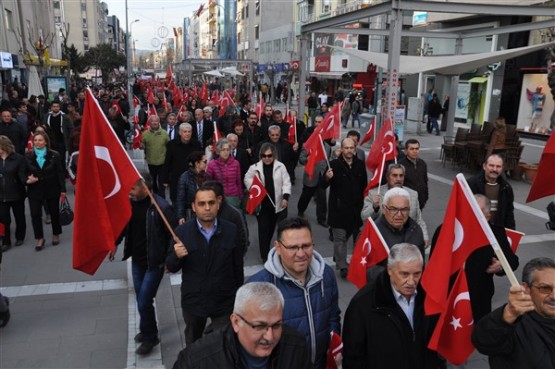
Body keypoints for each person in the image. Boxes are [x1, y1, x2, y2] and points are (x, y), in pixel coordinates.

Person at [248, 217, 341, 369]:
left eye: (306, 246)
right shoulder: (258, 286)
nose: (301, 253)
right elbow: (252, 344)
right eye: (293, 247)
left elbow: (333, 315)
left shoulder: (327, 275)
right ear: (278, 247)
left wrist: (333, 343)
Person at [342, 243, 443, 369]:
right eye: (404, 274)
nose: (411, 282)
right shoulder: (363, 304)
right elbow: (353, 357)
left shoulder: (430, 296)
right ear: (390, 270)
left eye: (417, 274)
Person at [166, 185, 244, 345]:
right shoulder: (181, 233)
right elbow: (171, 266)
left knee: (224, 342)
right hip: (194, 302)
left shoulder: (231, 230)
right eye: (202, 204)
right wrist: (176, 256)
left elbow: (237, 266)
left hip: (224, 300)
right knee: (194, 343)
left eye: (211, 202)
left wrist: (238, 295)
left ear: (218, 204)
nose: (207, 208)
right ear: (194, 207)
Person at [172, 282, 311, 369]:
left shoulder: (296, 346)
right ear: (236, 322)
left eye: (276, 326)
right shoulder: (196, 360)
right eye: (259, 326)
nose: (269, 336)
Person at [431, 194, 519, 324]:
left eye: (477, 212)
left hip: (478, 299)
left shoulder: (495, 233)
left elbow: (513, 261)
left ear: (487, 217)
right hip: (449, 295)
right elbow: (434, 262)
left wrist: (500, 266)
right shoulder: (446, 229)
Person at [116, 173, 177, 355]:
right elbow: (125, 226)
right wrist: (115, 243)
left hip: (154, 263)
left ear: (146, 188)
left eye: (134, 188)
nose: (130, 191)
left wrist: (169, 260)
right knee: (141, 299)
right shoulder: (131, 203)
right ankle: (146, 329)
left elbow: (173, 235)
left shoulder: (162, 207)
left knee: (144, 300)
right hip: (137, 260)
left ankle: (151, 336)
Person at [472, 257, 555, 369]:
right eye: (545, 288)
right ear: (526, 289)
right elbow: (484, 341)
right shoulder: (513, 323)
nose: (554, 296)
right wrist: (508, 313)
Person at [321, 137, 367, 278]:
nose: (348, 150)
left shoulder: (359, 164)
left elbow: (364, 185)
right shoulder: (333, 164)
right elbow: (323, 185)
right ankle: (342, 266)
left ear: (355, 148)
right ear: (342, 149)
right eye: (346, 148)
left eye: (351, 148)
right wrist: (327, 177)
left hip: (355, 209)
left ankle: (350, 260)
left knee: (354, 236)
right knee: (340, 239)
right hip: (339, 209)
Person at [244, 143, 291, 262]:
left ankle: (267, 245)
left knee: (271, 228)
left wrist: (285, 197)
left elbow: (286, 182)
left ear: (274, 155)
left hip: (276, 205)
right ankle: (264, 255)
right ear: (261, 156)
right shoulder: (254, 167)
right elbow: (247, 178)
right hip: (262, 205)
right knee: (263, 229)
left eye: (269, 155)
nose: (267, 158)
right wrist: (253, 187)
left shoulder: (281, 167)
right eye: (264, 156)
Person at [361, 163, 429, 244]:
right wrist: (374, 207)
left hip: (407, 240)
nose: (398, 179)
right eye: (394, 175)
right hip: (383, 241)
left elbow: (418, 219)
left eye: (401, 175)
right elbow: (364, 217)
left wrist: (424, 235)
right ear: (387, 177)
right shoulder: (375, 194)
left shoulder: (413, 194)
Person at [24, 132, 66, 251]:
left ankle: (56, 233)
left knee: (54, 212)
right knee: (35, 214)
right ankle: (39, 238)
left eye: (40, 140)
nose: (37, 142)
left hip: (51, 187)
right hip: (35, 189)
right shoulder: (28, 155)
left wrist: (63, 189)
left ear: (46, 142)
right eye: (35, 140)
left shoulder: (54, 155)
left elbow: (60, 172)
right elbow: (24, 171)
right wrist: (28, 179)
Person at [297, 116, 332, 226]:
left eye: (320, 122)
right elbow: (301, 159)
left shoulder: (327, 146)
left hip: (322, 176)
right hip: (310, 175)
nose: (317, 124)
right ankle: (300, 211)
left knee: (322, 199)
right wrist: (306, 159)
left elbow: (328, 160)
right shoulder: (308, 144)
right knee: (306, 196)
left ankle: (321, 219)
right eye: (316, 122)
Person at [467, 154, 515, 229]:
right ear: (484, 166)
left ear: (502, 168)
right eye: (491, 165)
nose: (494, 169)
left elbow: (509, 214)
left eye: (498, 166)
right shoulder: (471, 184)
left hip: (497, 230)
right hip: (474, 228)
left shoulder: (507, 188)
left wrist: (512, 233)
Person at [375, 187, 425, 259]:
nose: (399, 214)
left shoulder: (415, 230)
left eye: (404, 209)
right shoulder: (373, 232)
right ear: (383, 209)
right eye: (393, 209)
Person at [162, 123, 202, 204]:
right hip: (176, 179)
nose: (187, 134)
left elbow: (200, 161)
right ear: (180, 132)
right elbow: (167, 163)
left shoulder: (196, 144)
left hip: (192, 179)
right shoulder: (171, 144)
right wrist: (165, 179)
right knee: (176, 202)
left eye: (189, 131)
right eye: (185, 131)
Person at [0, 136, 27, 251]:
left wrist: (27, 181)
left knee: (19, 217)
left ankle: (20, 237)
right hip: (1, 195)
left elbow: (22, 176)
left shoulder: (18, 159)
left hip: (16, 193)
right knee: (3, 219)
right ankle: (6, 241)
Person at [206, 138, 243, 208]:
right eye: (223, 150)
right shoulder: (212, 164)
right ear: (218, 151)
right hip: (219, 197)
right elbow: (208, 183)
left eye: (227, 150)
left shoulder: (236, 163)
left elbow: (238, 182)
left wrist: (240, 196)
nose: (225, 152)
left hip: (234, 197)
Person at [141, 115, 170, 197]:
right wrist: (141, 146)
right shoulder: (145, 134)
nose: (154, 122)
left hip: (162, 162)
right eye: (153, 121)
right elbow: (141, 145)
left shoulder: (164, 133)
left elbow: (169, 145)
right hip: (151, 162)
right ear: (150, 123)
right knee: (153, 182)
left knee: (161, 182)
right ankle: (155, 195)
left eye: (156, 121)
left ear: (159, 122)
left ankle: (162, 198)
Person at [176, 151, 208, 225]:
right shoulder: (185, 177)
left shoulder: (206, 176)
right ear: (197, 163)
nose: (206, 164)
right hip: (190, 214)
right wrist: (180, 216)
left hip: (204, 211)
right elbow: (180, 199)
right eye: (205, 161)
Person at [399, 139, 429, 210]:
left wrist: (425, 197)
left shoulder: (422, 164)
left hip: (420, 202)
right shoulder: (400, 165)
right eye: (412, 149)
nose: (415, 151)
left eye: (417, 149)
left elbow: (425, 181)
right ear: (406, 151)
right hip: (406, 202)